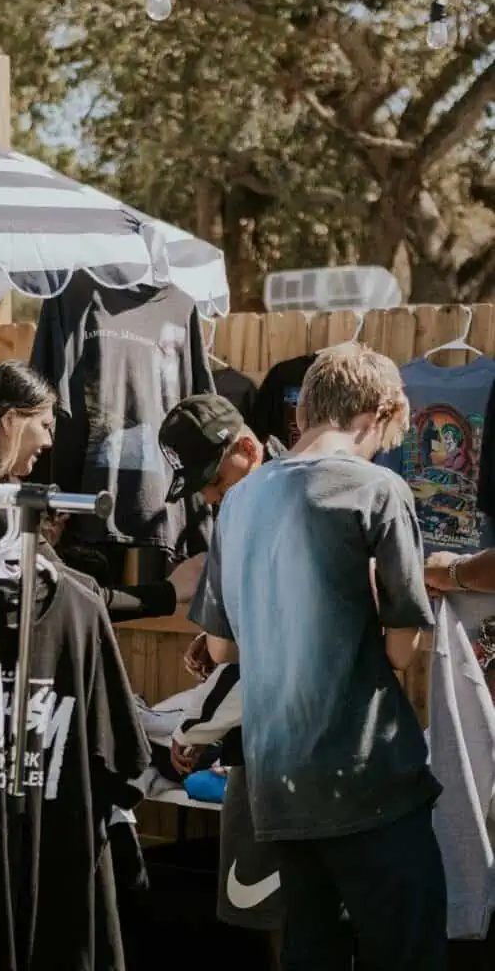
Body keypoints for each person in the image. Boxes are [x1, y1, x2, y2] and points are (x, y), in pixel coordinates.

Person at [195, 343, 446, 971]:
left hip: (279, 789)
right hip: (368, 779)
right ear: (378, 412)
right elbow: (400, 650)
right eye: (389, 432)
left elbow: (224, 647)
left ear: (304, 410)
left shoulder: (241, 502)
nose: (385, 447)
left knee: (312, 953)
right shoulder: (379, 490)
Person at [158, 393, 288, 969]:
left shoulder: (257, 510)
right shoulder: (283, 489)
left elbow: (245, 654)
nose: (209, 496)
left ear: (245, 446)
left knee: (265, 911)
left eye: (212, 479)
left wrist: (195, 730)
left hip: (274, 750)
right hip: (305, 745)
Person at [0, 359, 203, 620]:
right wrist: (171, 591)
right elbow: (77, 597)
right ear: (9, 421)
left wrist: (41, 544)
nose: (48, 441)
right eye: (44, 425)